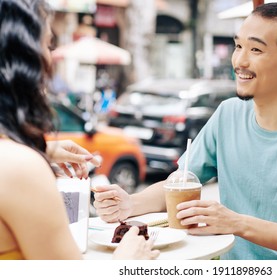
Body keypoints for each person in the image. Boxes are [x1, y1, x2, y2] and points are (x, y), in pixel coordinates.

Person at [93, 3, 277, 260]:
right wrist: (130, 204)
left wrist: (237, 223)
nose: (239, 61)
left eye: (255, 50)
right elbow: (179, 185)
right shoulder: (228, 114)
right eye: (238, 46)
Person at [0, 0, 159, 260]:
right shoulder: (21, 169)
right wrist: (124, 263)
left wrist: (44, 150)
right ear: (22, 58)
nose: (50, 57)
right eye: (48, 44)